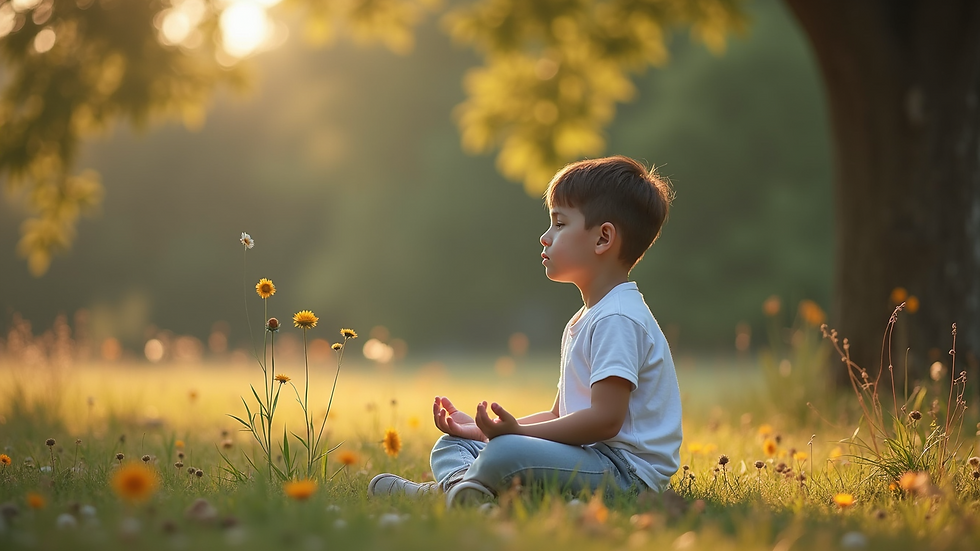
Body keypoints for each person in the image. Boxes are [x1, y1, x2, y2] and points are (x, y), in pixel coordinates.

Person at [368, 155, 682, 507]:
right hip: (586, 459)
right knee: (454, 444)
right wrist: (478, 430)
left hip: (624, 475)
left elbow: (605, 421)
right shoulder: (588, 317)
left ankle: (442, 493)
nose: (545, 237)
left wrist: (515, 434)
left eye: (560, 224)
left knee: (506, 451)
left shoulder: (618, 318)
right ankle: (471, 493)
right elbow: (558, 415)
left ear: (603, 238)